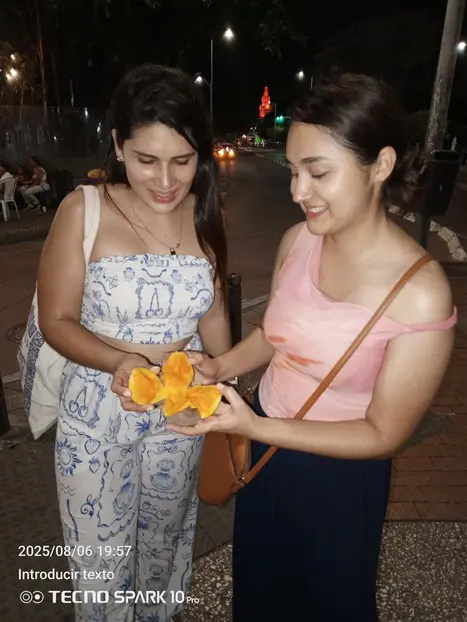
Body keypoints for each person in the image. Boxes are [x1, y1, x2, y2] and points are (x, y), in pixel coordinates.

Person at [167, 74, 457, 621]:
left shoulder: (420, 294)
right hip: (265, 452)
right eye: (294, 171)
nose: (298, 192)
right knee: (259, 593)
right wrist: (218, 367)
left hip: (339, 477)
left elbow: (383, 434)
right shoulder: (297, 241)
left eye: (318, 173)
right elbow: (273, 336)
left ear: (381, 165)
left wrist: (256, 427)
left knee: (332, 602)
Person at [36, 64, 230, 621]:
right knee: (102, 564)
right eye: (147, 159)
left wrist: (227, 382)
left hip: (180, 415)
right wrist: (119, 360)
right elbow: (56, 319)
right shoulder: (84, 208)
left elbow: (214, 312)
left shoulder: (204, 211)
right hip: (97, 410)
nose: (166, 180)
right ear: (119, 145)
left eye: (183, 160)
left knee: (163, 547)